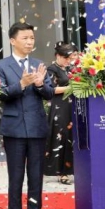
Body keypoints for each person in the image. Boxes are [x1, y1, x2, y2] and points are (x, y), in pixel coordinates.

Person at [0, 22, 54, 209]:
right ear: (13, 41)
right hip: (14, 129)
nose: (30, 42)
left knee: (36, 177)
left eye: (32, 38)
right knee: (16, 177)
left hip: (37, 127)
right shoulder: (0, 66)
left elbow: (49, 93)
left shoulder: (39, 64)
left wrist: (39, 84)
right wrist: (20, 84)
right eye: (25, 38)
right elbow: (0, 93)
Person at [44, 42, 78, 185]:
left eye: (70, 58)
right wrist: (71, 88)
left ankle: (73, 169)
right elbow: (50, 89)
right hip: (60, 106)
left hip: (73, 105)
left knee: (72, 137)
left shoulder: (71, 68)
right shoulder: (52, 69)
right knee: (62, 137)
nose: (68, 61)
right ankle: (61, 172)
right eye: (66, 58)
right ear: (58, 56)